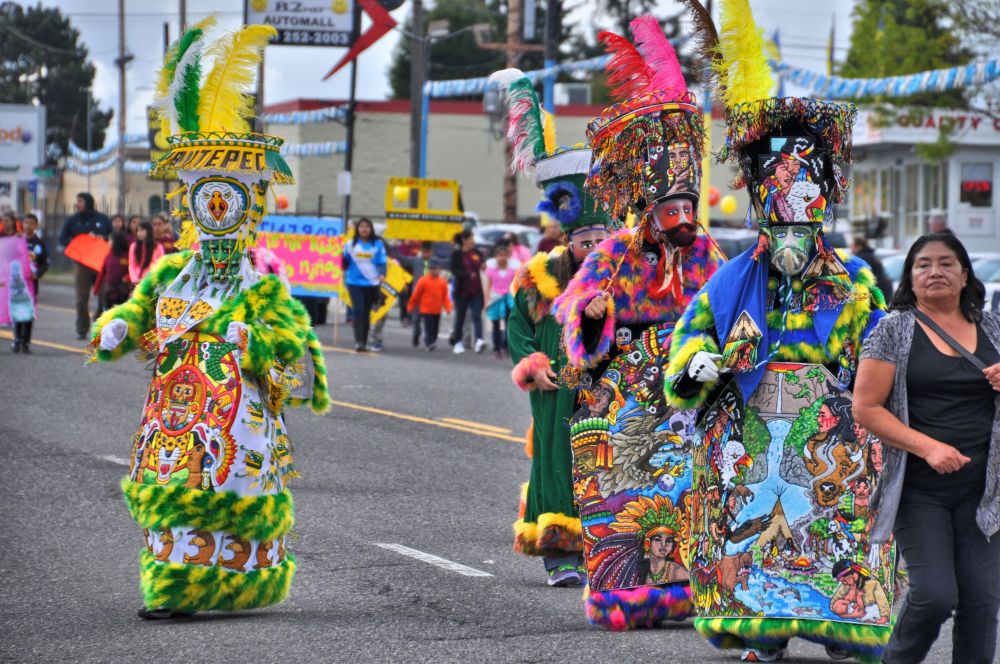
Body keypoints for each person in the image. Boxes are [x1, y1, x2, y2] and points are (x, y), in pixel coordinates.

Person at [666, 1, 891, 660]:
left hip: (832, 425)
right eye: (779, 228)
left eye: (802, 229)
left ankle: (843, 627)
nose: (791, 240)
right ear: (761, 223)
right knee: (753, 521)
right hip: (751, 419)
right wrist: (705, 363)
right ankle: (763, 636)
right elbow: (687, 347)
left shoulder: (850, 281)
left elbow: (880, 344)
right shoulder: (730, 282)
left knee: (832, 524)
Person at [89, 22, 329, 620]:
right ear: (193, 213)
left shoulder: (263, 285)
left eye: (229, 206)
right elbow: (131, 315)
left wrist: (251, 341)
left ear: (244, 219)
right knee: (173, 494)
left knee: (227, 493)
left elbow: (295, 351)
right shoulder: (169, 275)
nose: (218, 219)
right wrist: (115, 327)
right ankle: (170, 590)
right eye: (207, 203)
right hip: (173, 409)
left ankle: (230, 585)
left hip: (236, 418)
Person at [551, 17, 724, 628]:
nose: (680, 218)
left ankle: (683, 592)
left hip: (683, 394)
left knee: (683, 499)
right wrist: (591, 318)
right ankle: (621, 596)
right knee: (620, 498)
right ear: (646, 208)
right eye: (669, 207)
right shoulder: (611, 254)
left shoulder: (706, 255)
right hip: (621, 393)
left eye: (687, 206)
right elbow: (574, 319)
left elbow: (727, 313)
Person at [489, 66, 612, 587]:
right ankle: (558, 549)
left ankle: (607, 545)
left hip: (607, 390)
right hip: (556, 388)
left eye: (601, 238)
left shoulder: (622, 277)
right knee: (556, 461)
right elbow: (518, 332)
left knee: (608, 463)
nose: (594, 249)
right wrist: (532, 367)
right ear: (570, 239)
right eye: (587, 240)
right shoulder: (537, 279)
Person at [854, 232, 1000, 664]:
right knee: (935, 595)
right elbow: (865, 408)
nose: (935, 271)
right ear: (910, 277)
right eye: (923, 264)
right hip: (920, 490)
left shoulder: (993, 328)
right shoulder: (893, 330)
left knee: (982, 603)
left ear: (965, 273)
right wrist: (929, 447)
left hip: (984, 493)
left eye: (946, 263)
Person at [59, 191, 111, 339]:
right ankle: (82, 328)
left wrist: (103, 238)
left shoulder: (102, 219)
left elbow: (112, 236)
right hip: (81, 265)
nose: (78, 204)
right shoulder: (73, 220)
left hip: (100, 263)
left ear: (88, 202)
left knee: (104, 296)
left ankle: (100, 325)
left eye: (80, 201)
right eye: (77, 201)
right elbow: (62, 239)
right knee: (81, 298)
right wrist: (79, 243)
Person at [343, 218, 387, 352]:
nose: (364, 229)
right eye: (361, 226)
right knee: (358, 310)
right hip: (354, 282)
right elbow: (344, 262)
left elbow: (382, 261)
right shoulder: (350, 244)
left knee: (366, 313)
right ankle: (358, 341)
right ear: (358, 229)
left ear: (371, 229)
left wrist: (382, 274)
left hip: (372, 283)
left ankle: (364, 341)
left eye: (367, 227)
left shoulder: (378, 244)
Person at [1, 211, 35, 353]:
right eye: (4, 220)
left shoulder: (20, 238)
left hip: (17, 278)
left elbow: (22, 257)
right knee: (4, 307)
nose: (6, 223)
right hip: (3, 276)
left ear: (14, 222)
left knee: (22, 309)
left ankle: (23, 340)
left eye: (8, 220)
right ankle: (17, 339)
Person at [449, 229, 485, 354]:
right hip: (461, 292)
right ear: (465, 240)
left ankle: (479, 341)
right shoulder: (457, 254)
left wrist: (483, 267)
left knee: (477, 316)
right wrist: (467, 275)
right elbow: (454, 270)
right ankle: (458, 342)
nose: (473, 241)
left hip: (476, 290)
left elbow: (481, 266)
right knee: (460, 317)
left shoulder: (477, 253)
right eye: (471, 238)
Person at [406, 259, 451, 350]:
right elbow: (416, 295)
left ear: (439, 269)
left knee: (435, 329)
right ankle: (429, 343)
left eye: (435, 268)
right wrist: (410, 306)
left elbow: (445, 297)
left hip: (437, 310)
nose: (433, 270)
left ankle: (432, 341)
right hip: (426, 309)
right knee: (429, 327)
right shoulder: (423, 281)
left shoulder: (442, 282)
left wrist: (448, 307)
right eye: (431, 268)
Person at [485, 241, 517, 359]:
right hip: (496, 299)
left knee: (509, 324)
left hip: (508, 299)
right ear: (495, 257)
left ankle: (505, 345)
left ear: (508, 256)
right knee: (495, 324)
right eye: (499, 255)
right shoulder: (491, 271)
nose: (502, 258)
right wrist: (487, 300)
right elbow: (488, 286)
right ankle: (496, 348)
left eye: (504, 255)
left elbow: (514, 286)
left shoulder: (512, 271)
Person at [94, 231, 132, 311]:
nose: (109, 242)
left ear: (117, 241)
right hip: (109, 292)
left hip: (124, 291)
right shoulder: (108, 256)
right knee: (107, 314)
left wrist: (127, 277)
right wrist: (96, 288)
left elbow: (133, 270)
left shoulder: (128, 255)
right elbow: (101, 273)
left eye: (111, 240)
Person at [408, 241, 435, 348]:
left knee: (429, 319)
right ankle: (416, 334)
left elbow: (448, 262)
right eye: (424, 252)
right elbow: (401, 259)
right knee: (416, 318)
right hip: (417, 294)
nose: (426, 254)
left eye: (428, 252)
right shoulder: (416, 261)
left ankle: (429, 340)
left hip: (431, 295)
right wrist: (395, 246)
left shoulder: (435, 262)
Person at [128, 220, 165, 284]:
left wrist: (149, 278)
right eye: (138, 230)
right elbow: (131, 265)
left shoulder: (158, 247)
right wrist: (135, 279)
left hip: (152, 281)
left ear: (149, 232)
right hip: (137, 282)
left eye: (142, 230)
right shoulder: (133, 246)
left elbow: (161, 265)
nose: (139, 233)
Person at [21, 213, 48, 295]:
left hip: (31, 280)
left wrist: (37, 274)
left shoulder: (40, 243)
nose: (28, 226)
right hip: (17, 279)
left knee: (30, 303)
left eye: (31, 223)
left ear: (36, 226)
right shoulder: (17, 241)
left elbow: (45, 263)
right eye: (26, 223)